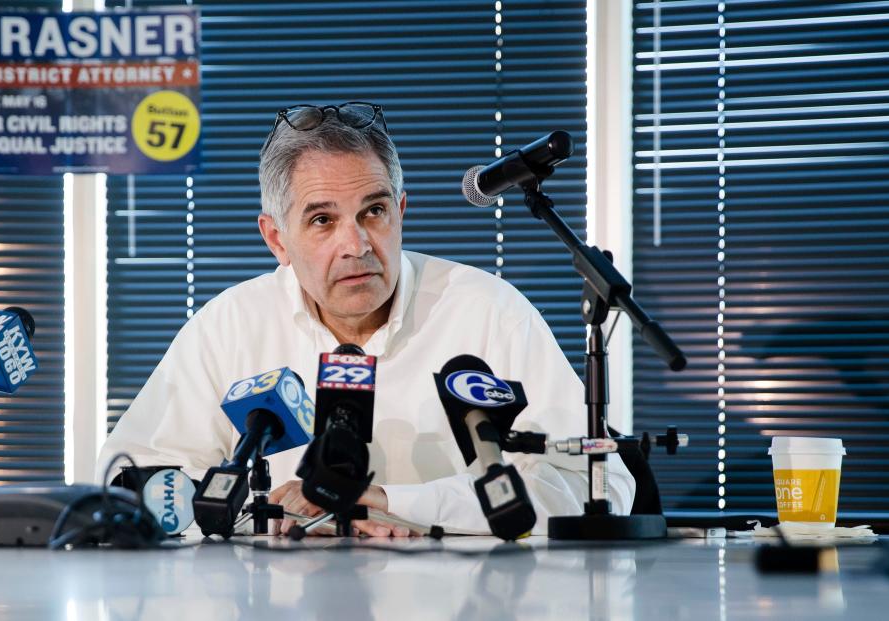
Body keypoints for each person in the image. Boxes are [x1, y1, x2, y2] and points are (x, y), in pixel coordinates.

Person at [97, 102, 634, 536]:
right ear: (276, 238)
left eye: (373, 212)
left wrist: (405, 507)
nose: (355, 245)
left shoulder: (487, 312)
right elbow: (126, 487)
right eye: (322, 220)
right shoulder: (228, 327)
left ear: (401, 212)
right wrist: (265, 517)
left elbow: (600, 488)